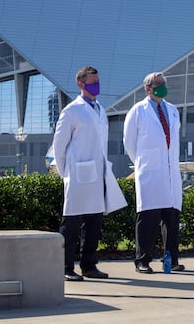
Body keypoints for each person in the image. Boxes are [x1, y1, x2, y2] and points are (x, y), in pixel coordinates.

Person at [53, 66, 127, 282]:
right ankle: (66, 267)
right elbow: (59, 145)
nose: (97, 84)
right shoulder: (72, 110)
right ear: (81, 83)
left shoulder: (100, 110)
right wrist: (65, 172)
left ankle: (89, 265)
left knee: (95, 221)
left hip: (98, 174)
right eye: (93, 80)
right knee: (72, 223)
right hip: (77, 175)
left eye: (98, 80)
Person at [123, 72, 185, 274]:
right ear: (147, 88)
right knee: (148, 218)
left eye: (164, 84)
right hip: (150, 172)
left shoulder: (173, 110)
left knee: (172, 218)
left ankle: (172, 259)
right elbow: (129, 143)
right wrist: (143, 162)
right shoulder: (137, 111)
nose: (162, 87)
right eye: (158, 84)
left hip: (170, 171)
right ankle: (142, 260)